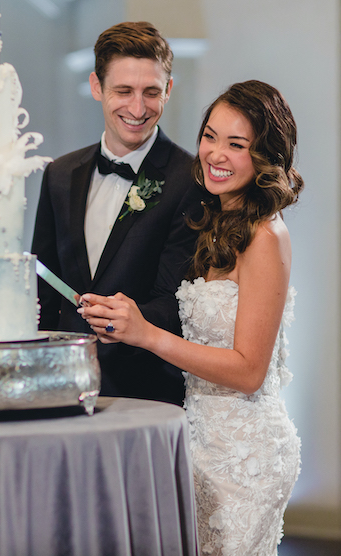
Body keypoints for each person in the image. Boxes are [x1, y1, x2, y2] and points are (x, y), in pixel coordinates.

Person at [79, 80, 303, 555]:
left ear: (265, 156)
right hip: (197, 441)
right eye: (210, 136)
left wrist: (147, 335)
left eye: (236, 144)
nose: (215, 154)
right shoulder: (216, 222)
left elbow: (248, 370)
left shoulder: (266, 237)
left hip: (246, 456)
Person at [31, 21, 203, 404]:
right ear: (97, 87)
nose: (138, 108)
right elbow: (42, 288)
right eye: (123, 91)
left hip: (147, 390)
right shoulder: (59, 174)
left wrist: (133, 320)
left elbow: (180, 301)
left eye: (151, 92)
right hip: (60, 387)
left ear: (169, 91)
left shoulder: (191, 181)